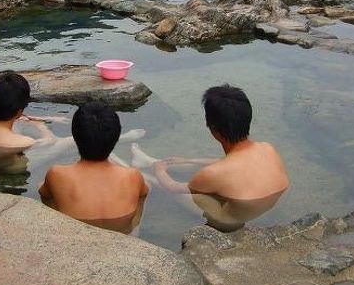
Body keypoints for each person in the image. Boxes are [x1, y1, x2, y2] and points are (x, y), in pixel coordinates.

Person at [152, 85, 289, 230]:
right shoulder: (268, 148)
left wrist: (159, 170)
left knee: (179, 189)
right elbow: (229, 164)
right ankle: (148, 160)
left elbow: (172, 187)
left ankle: (149, 170)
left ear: (212, 128)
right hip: (264, 208)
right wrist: (189, 160)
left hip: (228, 221)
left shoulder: (212, 174)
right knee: (208, 177)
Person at [39, 101, 149, 234]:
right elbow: (143, 195)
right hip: (123, 236)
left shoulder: (57, 173)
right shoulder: (133, 176)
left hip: (74, 237)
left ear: (74, 136)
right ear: (116, 137)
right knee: (144, 188)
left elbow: (44, 195)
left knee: (44, 186)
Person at [0, 72, 55, 166]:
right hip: (11, 169)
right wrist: (41, 126)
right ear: (20, 110)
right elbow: (50, 141)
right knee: (69, 142)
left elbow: (16, 117)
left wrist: (49, 118)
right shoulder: (25, 142)